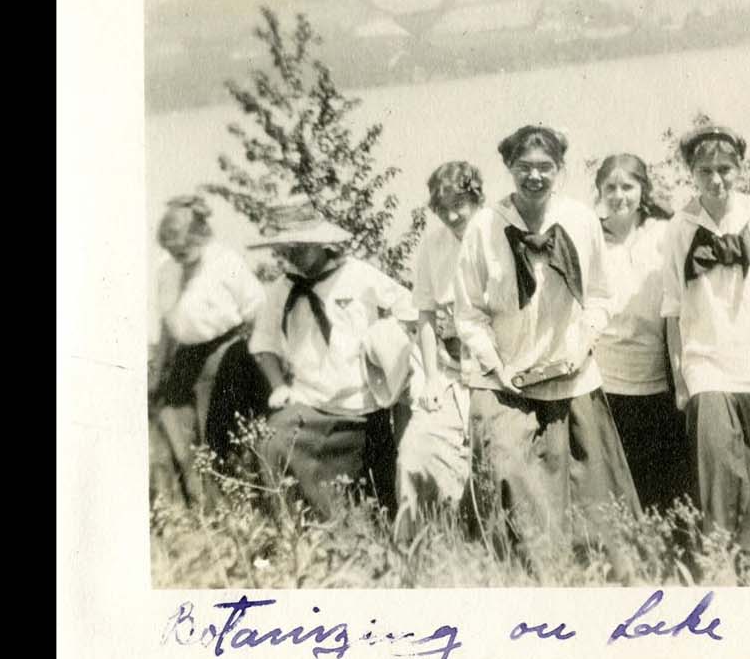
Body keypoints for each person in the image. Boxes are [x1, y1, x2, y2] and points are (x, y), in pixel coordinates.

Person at [453, 124, 641, 576]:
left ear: (560, 169)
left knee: (592, 499)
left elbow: (599, 295)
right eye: (524, 168)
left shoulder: (579, 221)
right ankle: (524, 581)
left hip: (570, 375)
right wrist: (498, 368)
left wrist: (580, 347)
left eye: (545, 168)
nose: (534, 177)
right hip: (503, 382)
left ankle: (593, 579)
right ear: (508, 169)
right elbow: (468, 313)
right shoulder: (483, 228)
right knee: (511, 483)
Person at [661, 123, 750, 560]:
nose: (716, 179)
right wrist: (681, 378)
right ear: (691, 171)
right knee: (720, 465)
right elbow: (671, 309)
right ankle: (721, 557)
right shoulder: (680, 227)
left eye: (725, 168)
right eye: (705, 170)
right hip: (706, 364)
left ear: (740, 168)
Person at [247, 196, 419, 519]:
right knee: (272, 444)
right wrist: (277, 386)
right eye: (284, 248)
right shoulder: (280, 290)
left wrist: (386, 339)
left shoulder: (357, 275)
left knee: (375, 498)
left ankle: (360, 534)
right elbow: (263, 343)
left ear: (321, 243)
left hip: (362, 407)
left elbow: (409, 308)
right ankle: (297, 533)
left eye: (298, 246)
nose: (290, 255)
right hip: (309, 404)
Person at [149, 195, 266, 508]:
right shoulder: (166, 270)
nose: (178, 255)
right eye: (172, 250)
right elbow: (167, 324)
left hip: (224, 351)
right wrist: (158, 372)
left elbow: (258, 311)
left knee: (215, 432)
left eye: (184, 249)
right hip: (184, 356)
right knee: (174, 423)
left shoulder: (225, 262)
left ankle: (229, 509)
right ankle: (189, 507)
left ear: (199, 235)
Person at [593, 153, 691, 515]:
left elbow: (678, 301)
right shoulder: (590, 235)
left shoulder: (663, 233)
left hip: (657, 372)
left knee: (661, 480)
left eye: (628, 186)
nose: (619, 195)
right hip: (606, 375)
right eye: (610, 187)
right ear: (600, 191)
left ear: (643, 189)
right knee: (615, 478)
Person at [393, 162, 484, 542]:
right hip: (447, 371)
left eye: (460, 203)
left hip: (494, 373)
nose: (452, 214)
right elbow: (425, 314)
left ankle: (483, 539)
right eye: (442, 206)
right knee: (413, 453)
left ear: (476, 197)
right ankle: (418, 544)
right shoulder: (433, 244)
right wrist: (430, 377)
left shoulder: (498, 233)